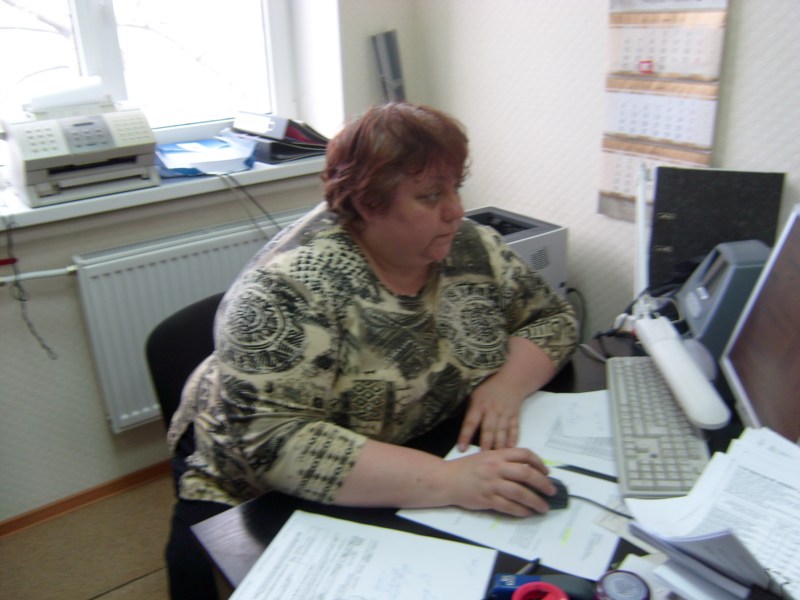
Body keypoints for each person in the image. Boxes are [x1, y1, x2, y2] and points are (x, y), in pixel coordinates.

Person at [164, 102, 579, 598]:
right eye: (430, 195)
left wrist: (507, 385)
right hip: (253, 493)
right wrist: (449, 482)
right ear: (367, 205)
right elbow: (277, 441)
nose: (455, 209)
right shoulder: (283, 292)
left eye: (454, 187)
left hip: (410, 449)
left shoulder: (473, 248)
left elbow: (554, 318)